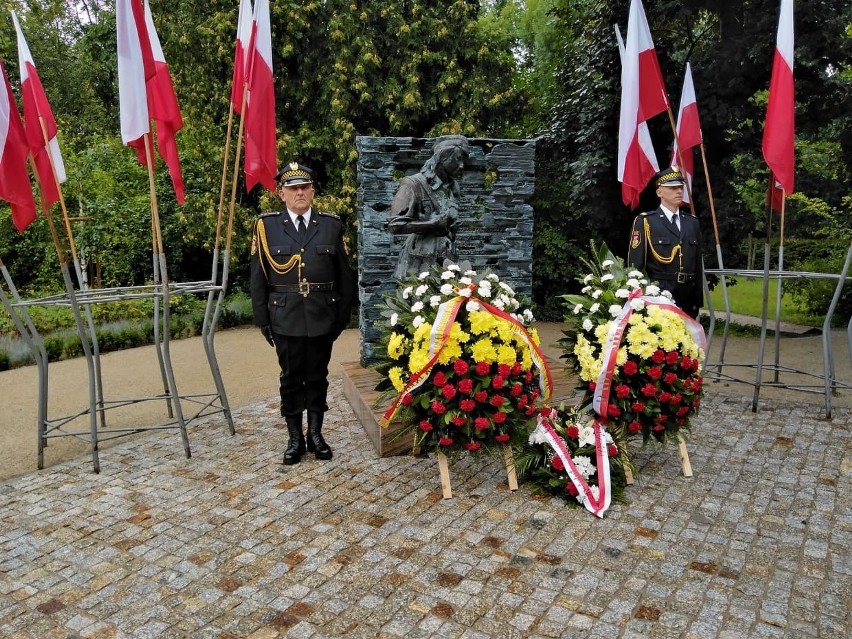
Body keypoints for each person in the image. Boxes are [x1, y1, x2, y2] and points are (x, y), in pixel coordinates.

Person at [250, 162, 356, 465]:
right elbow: (258, 276)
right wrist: (262, 319)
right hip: (285, 316)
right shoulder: (267, 226)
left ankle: (316, 434)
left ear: (313, 191)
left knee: (318, 376)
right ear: (282, 194)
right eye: (293, 188)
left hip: (323, 314)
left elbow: (344, 275)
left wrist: (341, 316)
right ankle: (295, 438)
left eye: (304, 187)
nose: (299, 192)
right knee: (291, 379)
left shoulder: (331, 225)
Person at [387, 135, 470, 279]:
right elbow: (395, 225)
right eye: (457, 159)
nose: (462, 165)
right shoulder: (413, 184)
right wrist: (431, 224)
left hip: (447, 260)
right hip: (419, 261)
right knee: (419, 300)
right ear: (443, 157)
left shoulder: (454, 187)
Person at [627, 166, 703, 318]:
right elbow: (635, 265)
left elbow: (697, 265)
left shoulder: (692, 222)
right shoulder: (646, 221)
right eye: (673, 188)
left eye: (681, 187)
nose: (679, 191)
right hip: (659, 292)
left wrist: (698, 298)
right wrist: (637, 297)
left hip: (687, 294)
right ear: (659, 192)